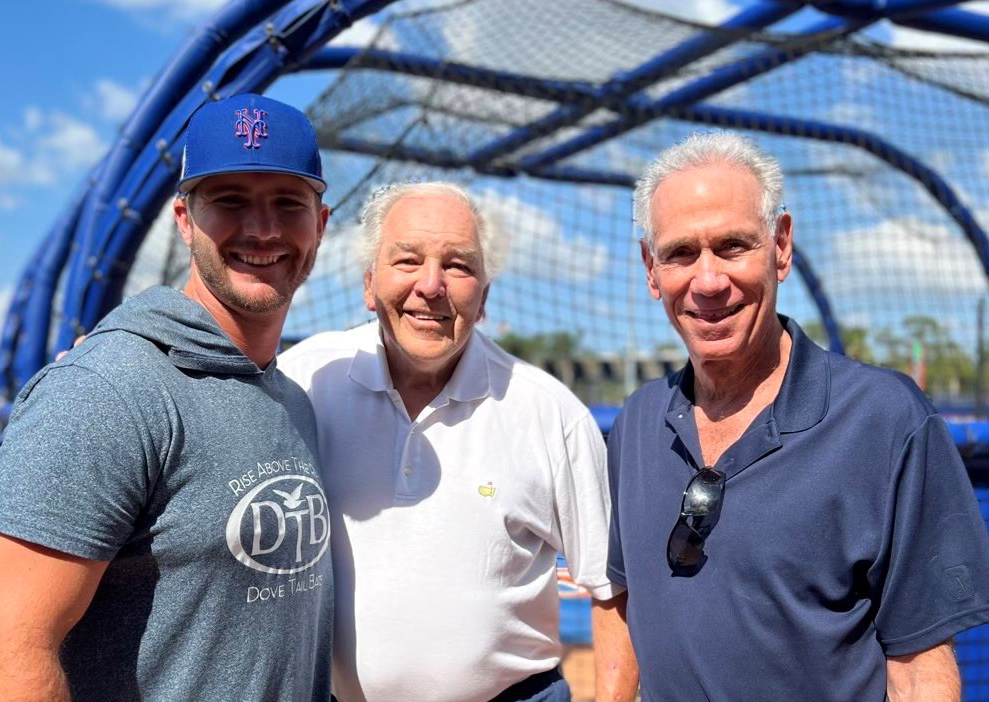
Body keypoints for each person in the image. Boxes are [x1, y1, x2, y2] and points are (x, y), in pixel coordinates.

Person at [0, 94, 333, 702]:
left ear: (320, 223)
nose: (264, 229)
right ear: (185, 219)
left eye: (287, 203)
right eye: (230, 200)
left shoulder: (290, 395)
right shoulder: (105, 390)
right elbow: (8, 651)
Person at [607, 131, 989, 701]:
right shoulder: (637, 423)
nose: (709, 281)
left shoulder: (884, 420)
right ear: (650, 269)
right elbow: (621, 599)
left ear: (781, 247)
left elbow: (920, 670)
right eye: (681, 253)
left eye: (734, 246)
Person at [278, 182, 638, 702]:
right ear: (368, 283)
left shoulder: (549, 412)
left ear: (485, 297)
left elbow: (614, 590)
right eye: (407, 260)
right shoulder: (305, 382)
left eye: (459, 266)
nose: (431, 285)